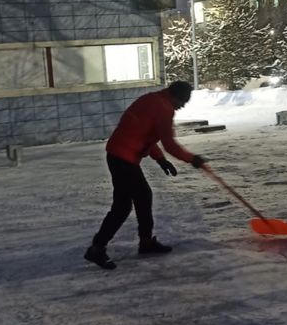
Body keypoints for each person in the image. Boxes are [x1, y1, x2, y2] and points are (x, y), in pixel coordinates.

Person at [84, 80, 206, 270]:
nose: (182, 106)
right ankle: (99, 248)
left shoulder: (152, 100)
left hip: (117, 155)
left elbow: (143, 134)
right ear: (175, 96)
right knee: (127, 204)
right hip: (124, 158)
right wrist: (192, 159)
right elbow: (169, 144)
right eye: (182, 101)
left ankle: (141, 242)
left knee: (133, 200)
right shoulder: (164, 109)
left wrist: (160, 159)